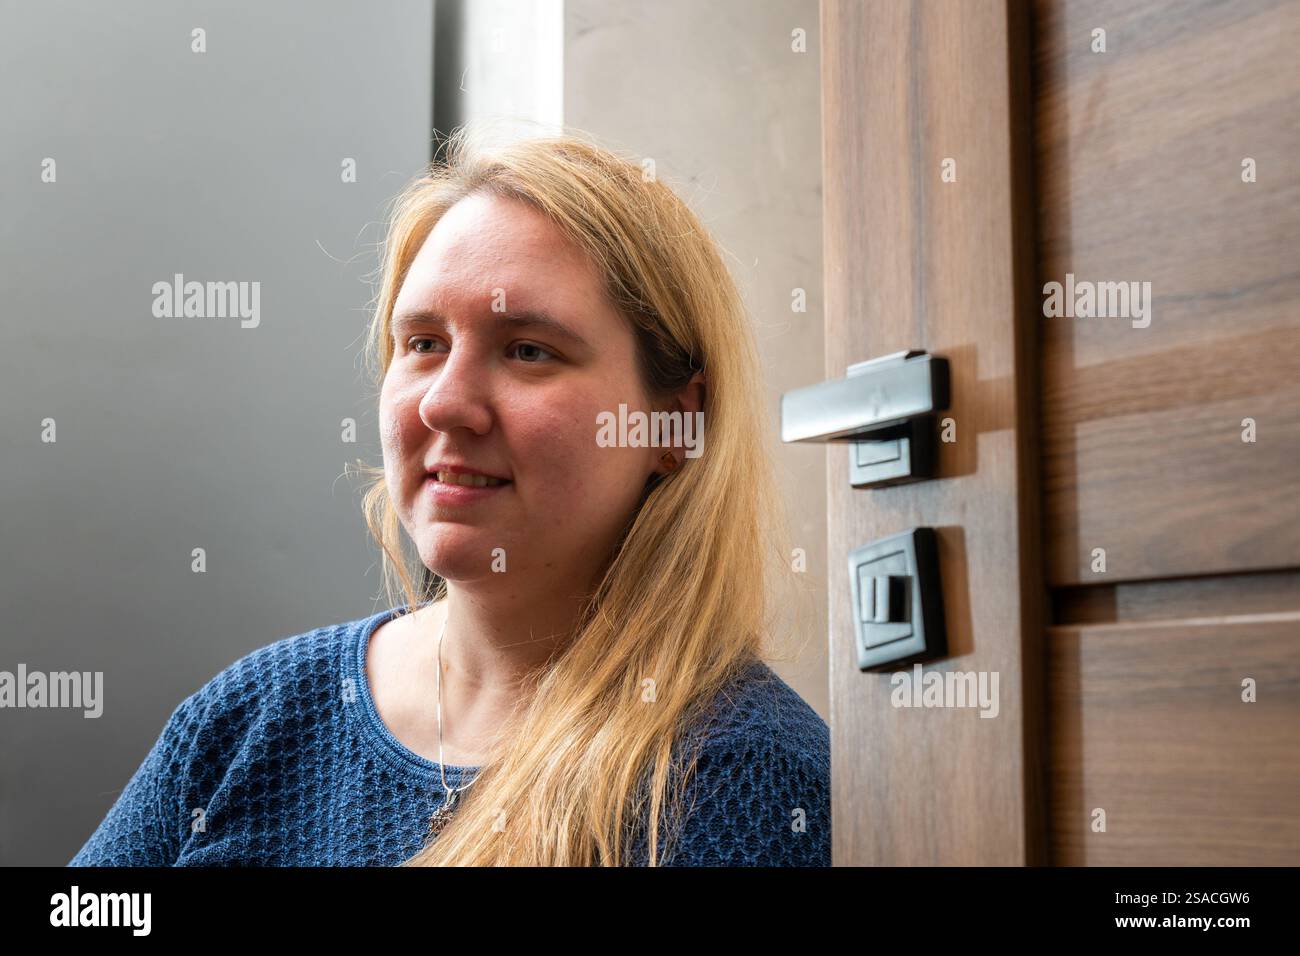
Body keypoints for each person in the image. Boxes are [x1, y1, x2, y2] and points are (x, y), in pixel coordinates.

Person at [68, 126, 829, 867]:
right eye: (424, 344)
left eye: (529, 351)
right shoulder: (256, 715)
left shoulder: (741, 780)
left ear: (675, 422)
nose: (445, 403)